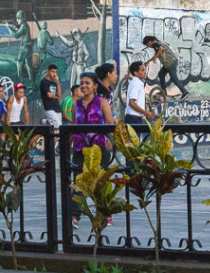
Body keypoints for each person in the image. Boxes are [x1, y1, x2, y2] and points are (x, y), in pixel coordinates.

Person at [70, 73, 115, 229]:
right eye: (82, 83)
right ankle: (74, 216)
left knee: (101, 183)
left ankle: (104, 213)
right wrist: (68, 145)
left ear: (95, 86)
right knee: (79, 183)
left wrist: (110, 138)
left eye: (87, 83)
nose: (84, 86)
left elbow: (110, 122)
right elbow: (73, 126)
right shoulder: (75, 104)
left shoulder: (101, 102)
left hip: (98, 149)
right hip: (80, 149)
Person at [6, 11, 34, 84]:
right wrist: (13, 28)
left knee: (19, 62)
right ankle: (32, 82)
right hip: (28, 48)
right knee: (28, 65)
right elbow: (19, 32)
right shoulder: (25, 25)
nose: (17, 20)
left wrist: (8, 28)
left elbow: (16, 35)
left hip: (24, 48)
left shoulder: (24, 26)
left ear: (22, 19)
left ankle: (21, 81)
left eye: (18, 18)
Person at [125, 60, 155, 125]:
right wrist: (146, 113)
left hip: (136, 118)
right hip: (133, 119)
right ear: (136, 73)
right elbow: (131, 103)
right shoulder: (136, 83)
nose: (145, 72)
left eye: (144, 70)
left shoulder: (138, 82)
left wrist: (146, 112)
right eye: (142, 70)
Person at [39, 64, 62, 129]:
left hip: (56, 106)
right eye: (52, 72)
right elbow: (49, 95)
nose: (54, 74)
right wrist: (57, 97)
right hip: (49, 107)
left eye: (55, 72)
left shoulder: (54, 83)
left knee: (57, 129)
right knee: (58, 125)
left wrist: (57, 82)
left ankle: (44, 121)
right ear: (48, 72)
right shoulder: (44, 82)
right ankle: (44, 121)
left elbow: (59, 94)